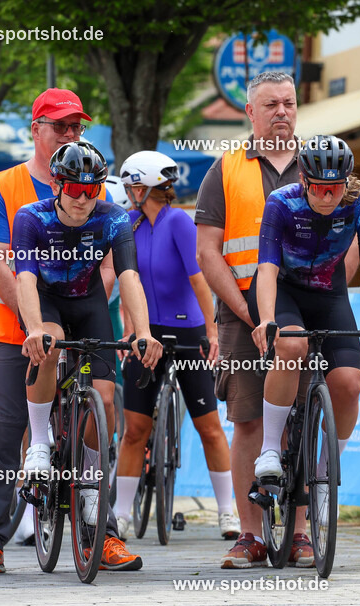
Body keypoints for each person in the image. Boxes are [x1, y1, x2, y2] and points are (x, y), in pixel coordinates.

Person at [0, 88, 147, 573]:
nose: (70, 133)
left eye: (76, 126)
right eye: (60, 125)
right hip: (7, 329)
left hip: (78, 311)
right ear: (35, 130)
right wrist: (37, 325)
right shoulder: (3, 187)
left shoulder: (98, 191)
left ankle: (101, 534)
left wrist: (85, 305)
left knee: (98, 414)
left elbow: (112, 264)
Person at [196, 71, 360, 569]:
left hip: (308, 307)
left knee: (306, 416)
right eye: (271, 104)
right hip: (243, 310)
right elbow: (208, 251)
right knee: (249, 420)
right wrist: (248, 311)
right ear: (251, 112)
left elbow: (354, 242)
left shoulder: (323, 162)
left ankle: (302, 533)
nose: (282, 112)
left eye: (289, 103)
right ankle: (250, 535)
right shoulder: (225, 169)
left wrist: (326, 292)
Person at [12, 141, 162, 571]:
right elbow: (24, 278)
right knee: (49, 344)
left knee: (106, 398)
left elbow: (129, 276)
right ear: (56, 186)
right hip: (46, 303)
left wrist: (143, 332)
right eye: (75, 189)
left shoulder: (113, 217)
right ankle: (38, 444)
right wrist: (35, 328)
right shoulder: (31, 217)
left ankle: (92, 489)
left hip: (90, 304)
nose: (82, 199)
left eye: (91, 190)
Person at [249, 135, 360, 548]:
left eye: (336, 188)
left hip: (329, 295)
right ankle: (269, 450)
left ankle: (326, 471)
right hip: (284, 292)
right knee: (292, 346)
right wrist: (268, 320)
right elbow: (267, 267)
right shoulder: (281, 202)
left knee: (349, 383)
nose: (328, 197)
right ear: (304, 180)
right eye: (320, 188)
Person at [113, 150, 238, 541]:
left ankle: (227, 511)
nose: (128, 192)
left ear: (142, 188)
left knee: (209, 427)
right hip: (145, 334)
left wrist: (212, 333)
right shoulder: (127, 224)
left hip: (188, 332)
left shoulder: (180, 222)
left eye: (131, 185)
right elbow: (127, 283)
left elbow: (199, 280)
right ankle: (120, 515)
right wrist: (128, 330)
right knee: (135, 430)